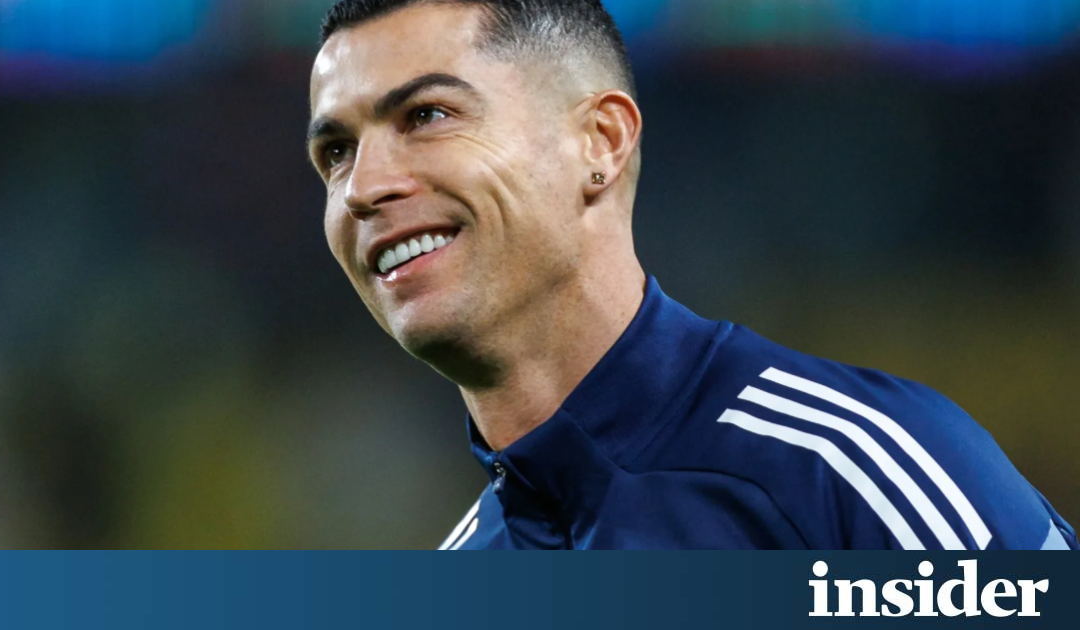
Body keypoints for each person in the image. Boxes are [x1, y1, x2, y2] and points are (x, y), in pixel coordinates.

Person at [306, 0, 1076, 550]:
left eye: (427, 116)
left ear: (600, 141)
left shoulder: (848, 471)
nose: (363, 187)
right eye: (336, 151)